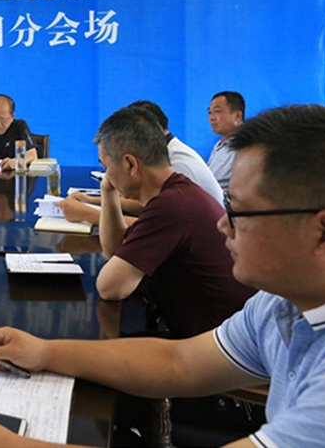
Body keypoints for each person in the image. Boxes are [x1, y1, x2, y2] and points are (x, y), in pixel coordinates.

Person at [0, 104, 325, 448]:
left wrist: (9, 444)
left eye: (239, 211)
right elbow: (179, 362)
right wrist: (44, 351)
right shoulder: (281, 304)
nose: (223, 224)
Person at [88, 106, 254, 338]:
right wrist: (108, 191)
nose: (106, 175)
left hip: (218, 345)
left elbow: (110, 288)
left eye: (106, 167)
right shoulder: (174, 193)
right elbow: (114, 251)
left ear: (130, 164)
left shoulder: (172, 206)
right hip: (212, 333)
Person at [59, 101, 224, 225]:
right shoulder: (166, 156)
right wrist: (94, 200)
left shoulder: (179, 167)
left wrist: (87, 213)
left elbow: (152, 220)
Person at [207, 91, 245, 192]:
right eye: (210, 112)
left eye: (217, 111)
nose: (211, 118)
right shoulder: (219, 145)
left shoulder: (245, 146)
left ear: (237, 116)